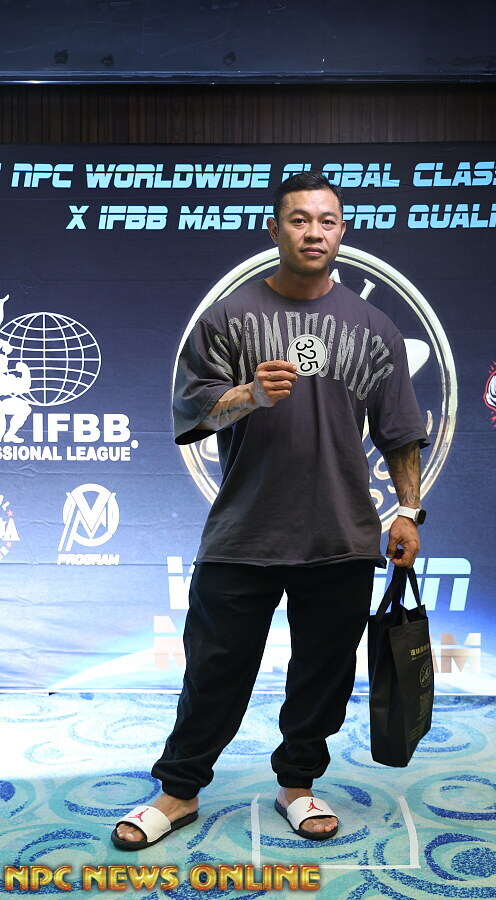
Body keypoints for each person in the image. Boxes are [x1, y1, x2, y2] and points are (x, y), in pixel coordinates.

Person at [112, 171, 429, 850]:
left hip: (340, 535)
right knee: (213, 671)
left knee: (323, 674)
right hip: (243, 533)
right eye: (299, 219)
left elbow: (401, 431)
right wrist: (249, 395)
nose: (314, 232)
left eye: (327, 221)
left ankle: (297, 784)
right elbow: (195, 410)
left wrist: (408, 510)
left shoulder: (374, 328)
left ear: (342, 232)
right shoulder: (227, 318)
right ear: (274, 228)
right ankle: (179, 790)